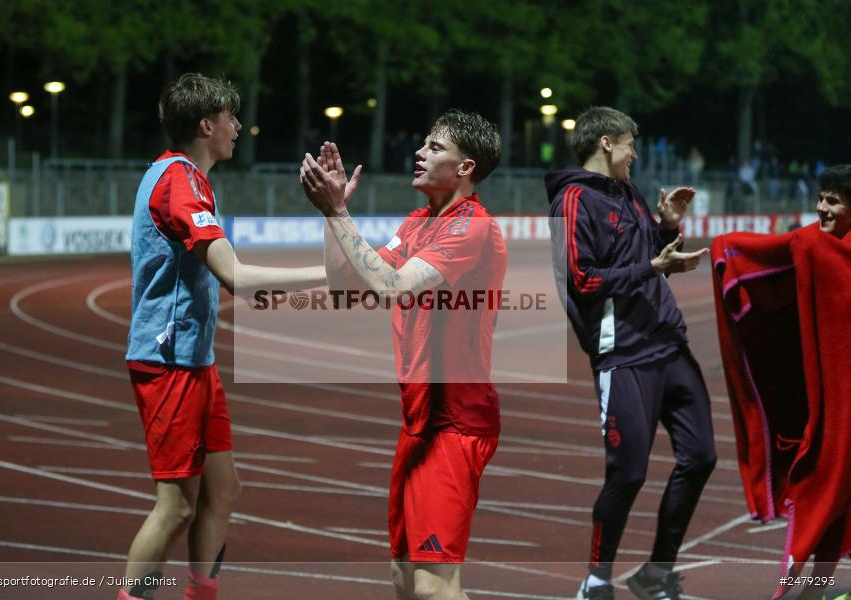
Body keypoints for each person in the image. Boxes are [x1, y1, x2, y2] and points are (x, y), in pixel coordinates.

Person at [120, 73, 326, 600]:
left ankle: (201, 594)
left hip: (195, 360)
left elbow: (229, 280)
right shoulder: (180, 180)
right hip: (170, 364)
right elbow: (233, 275)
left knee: (224, 491)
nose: (239, 126)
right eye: (231, 118)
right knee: (177, 507)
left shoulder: (186, 177)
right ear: (205, 125)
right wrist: (329, 273)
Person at [299, 109, 506, 600]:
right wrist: (332, 216)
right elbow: (344, 286)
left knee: (433, 586)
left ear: (465, 168)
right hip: (418, 420)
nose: (420, 152)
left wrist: (342, 215)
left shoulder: (471, 227)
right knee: (405, 577)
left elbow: (389, 286)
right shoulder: (417, 223)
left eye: (435, 148)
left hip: (455, 422)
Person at [544, 106, 717, 600]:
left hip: (668, 340)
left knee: (701, 456)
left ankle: (655, 574)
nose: (634, 154)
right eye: (629, 144)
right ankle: (596, 581)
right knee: (629, 473)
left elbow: (643, 260)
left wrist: (665, 230)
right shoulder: (573, 200)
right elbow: (583, 280)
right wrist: (653, 267)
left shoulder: (628, 193)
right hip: (624, 352)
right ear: (605, 143)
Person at [712, 165, 851, 600]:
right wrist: (721, 252)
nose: (821, 206)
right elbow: (753, 253)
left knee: (846, 501)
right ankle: (798, 590)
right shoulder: (809, 243)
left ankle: (815, 591)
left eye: (833, 199)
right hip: (834, 403)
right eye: (821, 196)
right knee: (823, 486)